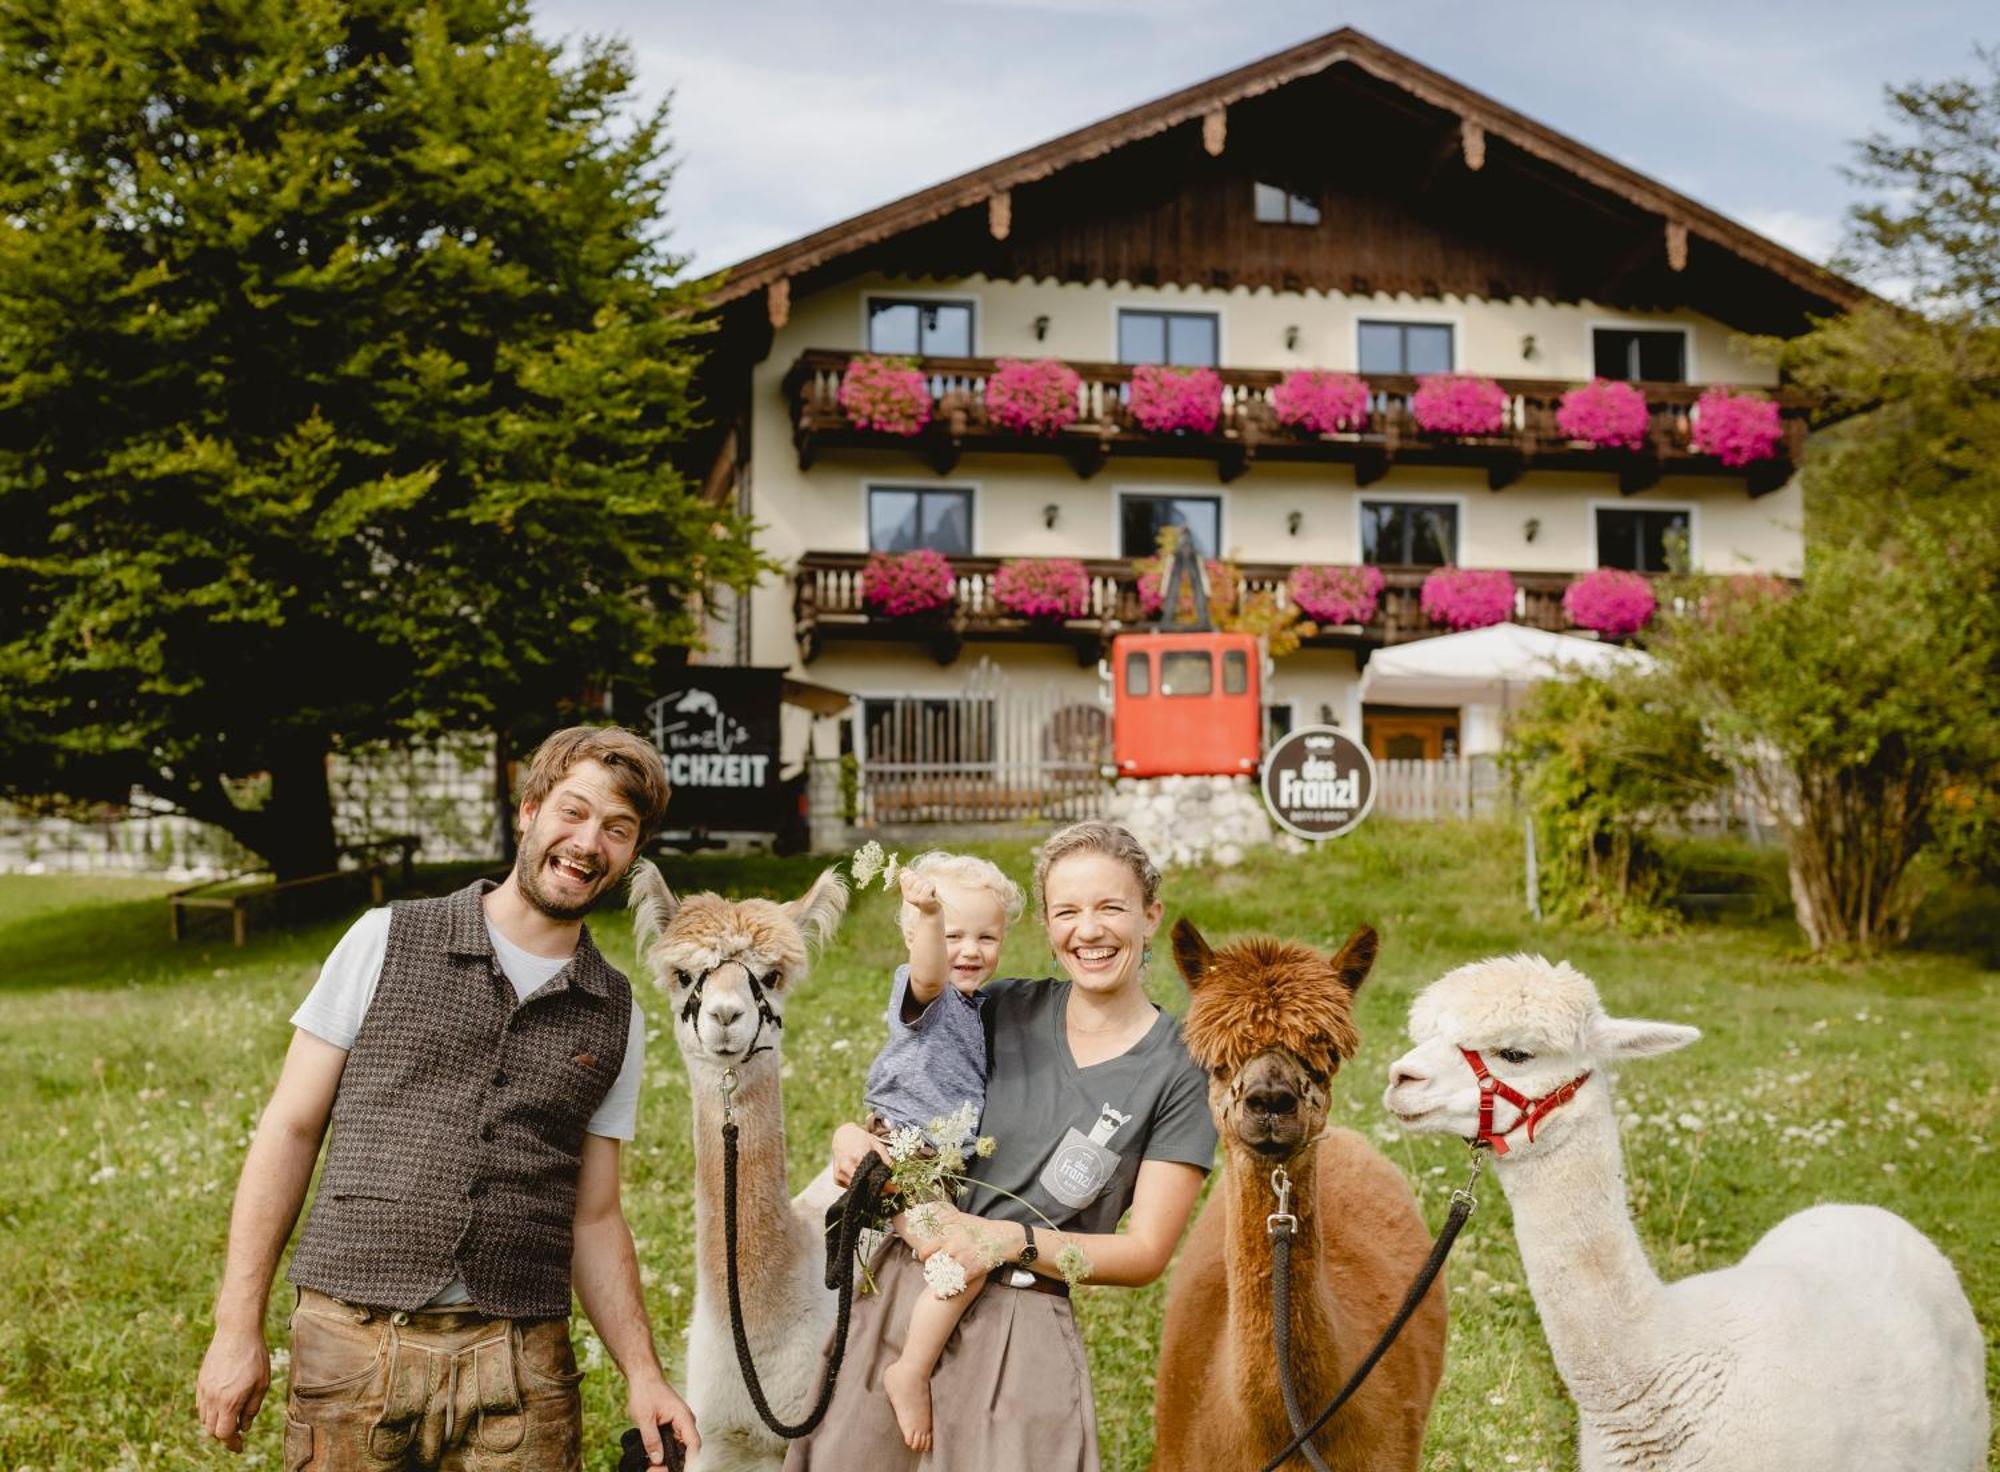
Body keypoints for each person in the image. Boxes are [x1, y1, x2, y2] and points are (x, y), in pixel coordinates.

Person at [194, 725, 700, 1471]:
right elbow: (291, 1128)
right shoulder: (385, 937)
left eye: (617, 830)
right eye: (573, 811)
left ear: (631, 854)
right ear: (529, 811)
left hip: (521, 1371)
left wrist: (645, 1375)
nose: (588, 842)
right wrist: (237, 1327)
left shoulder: (615, 1009)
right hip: (352, 1352)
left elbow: (595, 1213)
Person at [787, 821, 1218, 1472]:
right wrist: (856, 1135)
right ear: (1046, 924)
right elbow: (918, 1084)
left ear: (1150, 916)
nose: (1089, 930)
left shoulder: (1180, 1069)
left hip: (1024, 1326)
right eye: (1067, 911)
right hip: (906, 1296)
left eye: (1111, 908)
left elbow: (1144, 1253)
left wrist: (1008, 1240)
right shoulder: (998, 1007)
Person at [859, 853, 1024, 1452]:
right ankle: (910, 1369)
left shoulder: (976, 1009)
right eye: (954, 935)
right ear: (914, 935)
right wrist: (931, 915)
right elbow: (928, 972)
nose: (970, 949)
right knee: (964, 1259)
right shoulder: (925, 996)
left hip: (935, 1162)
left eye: (987, 936)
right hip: (902, 1155)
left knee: (962, 1251)